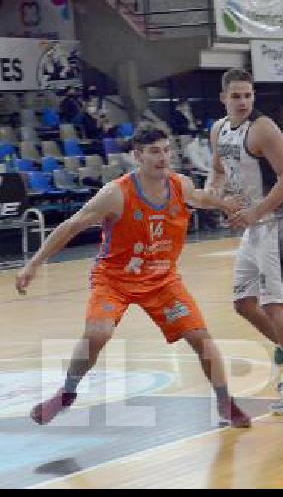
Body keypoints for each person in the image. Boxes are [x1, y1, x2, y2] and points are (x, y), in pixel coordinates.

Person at [15, 128, 251, 428]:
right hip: (115, 279)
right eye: (154, 151)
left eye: (166, 150)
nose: (163, 157)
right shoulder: (116, 193)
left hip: (162, 280)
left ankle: (225, 402)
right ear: (137, 156)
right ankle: (67, 393)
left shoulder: (181, 185)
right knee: (97, 335)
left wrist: (232, 206)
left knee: (200, 339)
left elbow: (202, 198)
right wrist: (33, 264)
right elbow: (71, 226)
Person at [208, 68, 283, 415]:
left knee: (276, 305)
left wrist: (254, 211)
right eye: (236, 96)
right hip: (253, 226)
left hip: (279, 223)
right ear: (223, 98)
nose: (243, 102)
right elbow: (218, 171)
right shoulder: (219, 130)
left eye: (248, 95)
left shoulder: (263, 128)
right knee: (244, 303)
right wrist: (214, 194)